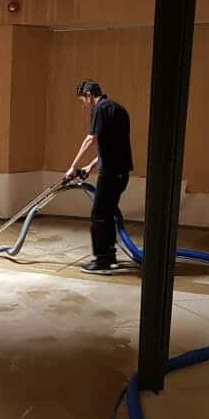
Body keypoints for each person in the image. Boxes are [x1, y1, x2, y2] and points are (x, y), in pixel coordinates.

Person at [64, 79, 133, 275]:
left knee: (99, 216)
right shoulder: (118, 109)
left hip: (110, 172)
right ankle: (110, 257)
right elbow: (112, 146)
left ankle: (102, 261)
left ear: (89, 95)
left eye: (83, 101)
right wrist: (90, 166)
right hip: (121, 172)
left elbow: (90, 139)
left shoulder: (100, 108)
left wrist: (73, 167)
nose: (84, 105)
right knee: (107, 214)